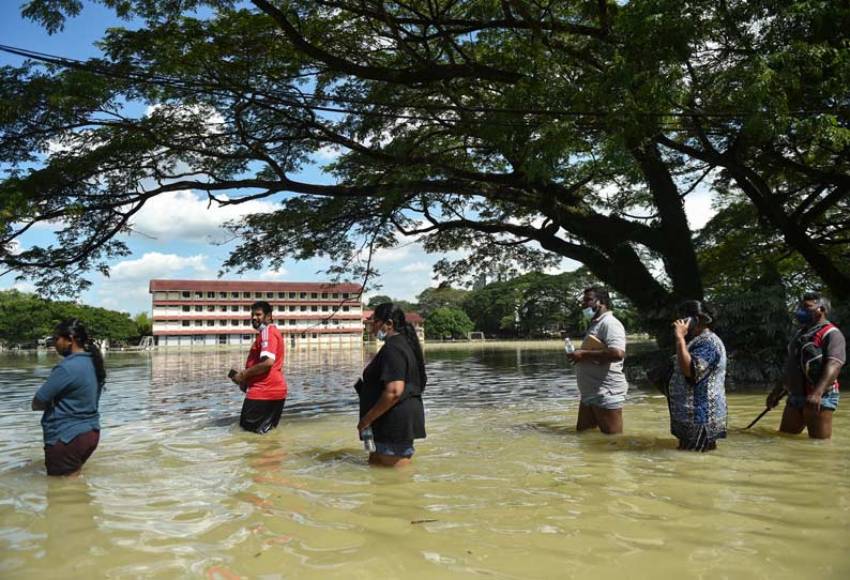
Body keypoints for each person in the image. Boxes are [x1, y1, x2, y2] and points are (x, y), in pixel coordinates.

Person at [766, 292, 845, 439]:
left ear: (821, 310)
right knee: (784, 439)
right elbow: (790, 366)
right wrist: (776, 392)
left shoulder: (832, 334)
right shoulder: (799, 334)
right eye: (801, 307)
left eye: (807, 307)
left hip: (820, 397)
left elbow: (834, 364)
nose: (801, 311)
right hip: (796, 396)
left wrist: (817, 393)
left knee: (819, 445)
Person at [31, 319, 105, 476]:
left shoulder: (66, 368)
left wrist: (50, 403)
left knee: (60, 492)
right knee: (72, 484)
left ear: (70, 339)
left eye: (56, 338)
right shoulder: (93, 362)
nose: (54, 343)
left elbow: (38, 401)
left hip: (66, 436)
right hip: (90, 433)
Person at [356, 303, 426, 467]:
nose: (372, 327)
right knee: (377, 471)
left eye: (375, 322)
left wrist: (366, 420)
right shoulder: (401, 345)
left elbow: (394, 391)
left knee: (397, 480)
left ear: (389, 323)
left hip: (394, 422)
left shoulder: (393, 348)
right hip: (387, 421)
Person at [667, 301, 727, 451]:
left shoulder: (708, 343)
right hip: (692, 415)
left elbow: (690, 371)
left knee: (693, 463)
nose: (679, 322)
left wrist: (680, 338)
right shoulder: (697, 341)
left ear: (698, 319)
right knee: (688, 461)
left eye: (683, 318)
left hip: (700, 416)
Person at [567, 287, 628, 434]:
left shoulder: (610, 323)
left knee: (612, 443)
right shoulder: (596, 323)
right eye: (583, 300)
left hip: (605, 392)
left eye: (588, 300)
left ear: (601, 302)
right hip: (590, 392)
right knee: (583, 436)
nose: (583, 304)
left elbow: (618, 353)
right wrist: (579, 355)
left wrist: (583, 354)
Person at [231, 301, 287, 433]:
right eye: (252, 315)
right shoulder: (270, 332)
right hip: (274, 391)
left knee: (248, 434)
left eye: (258, 314)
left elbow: (268, 362)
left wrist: (243, 375)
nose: (254, 318)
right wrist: (246, 382)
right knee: (265, 433)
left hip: (263, 391)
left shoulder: (267, 332)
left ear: (268, 317)